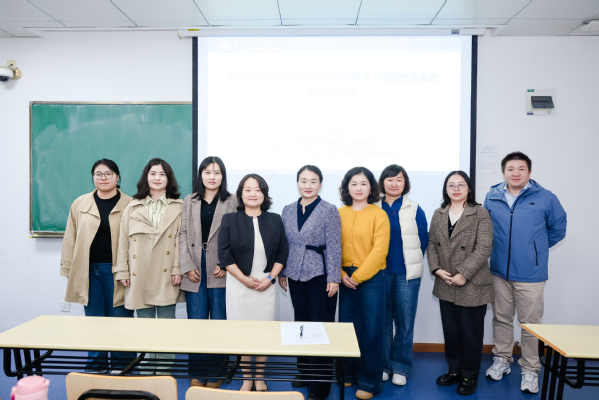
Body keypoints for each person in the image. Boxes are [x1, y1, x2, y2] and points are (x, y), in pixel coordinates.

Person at [484, 152, 567, 394]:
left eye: (521, 169)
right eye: (511, 169)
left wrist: (535, 250)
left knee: (531, 325)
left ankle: (530, 369)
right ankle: (502, 359)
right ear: (503, 172)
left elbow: (558, 229)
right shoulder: (492, 196)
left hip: (531, 274)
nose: (516, 173)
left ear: (529, 172)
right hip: (499, 272)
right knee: (501, 318)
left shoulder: (546, 197)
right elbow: (486, 229)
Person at [60, 159, 134, 372]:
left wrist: (132, 270)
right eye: (98, 174)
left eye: (108, 173)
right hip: (88, 271)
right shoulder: (80, 203)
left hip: (119, 271)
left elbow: (136, 242)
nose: (103, 178)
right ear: (93, 177)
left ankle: (123, 367)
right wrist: (68, 269)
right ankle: (96, 367)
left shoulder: (130, 204)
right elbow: (70, 238)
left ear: (118, 177)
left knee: (121, 320)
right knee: (94, 321)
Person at [218, 174, 289, 392]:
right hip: (239, 285)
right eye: (248, 189)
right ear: (241, 194)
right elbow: (224, 255)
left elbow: (283, 252)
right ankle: (247, 378)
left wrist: (271, 278)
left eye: (258, 189)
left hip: (267, 285)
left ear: (264, 194)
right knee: (243, 334)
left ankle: (260, 377)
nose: (253, 194)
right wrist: (244, 279)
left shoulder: (275, 219)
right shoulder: (230, 220)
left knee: (264, 333)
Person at [114, 158, 184, 375]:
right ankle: (145, 369)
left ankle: (163, 371)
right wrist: (123, 270)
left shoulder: (179, 206)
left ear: (168, 178)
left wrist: (177, 268)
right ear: (146, 177)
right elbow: (123, 241)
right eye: (153, 173)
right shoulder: (132, 206)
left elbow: (180, 241)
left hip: (166, 272)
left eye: (162, 174)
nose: (157, 178)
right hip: (139, 272)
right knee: (144, 324)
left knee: (166, 323)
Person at [428, 171, 494, 396]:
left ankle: (469, 376)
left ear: (469, 188)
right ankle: (454, 371)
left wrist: (464, 274)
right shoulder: (438, 213)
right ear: (445, 189)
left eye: (461, 185)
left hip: (472, 284)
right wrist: (436, 269)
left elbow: (484, 247)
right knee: (452, 332)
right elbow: (431, 244)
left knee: (470, 335)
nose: (456, 189)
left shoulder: (480, 213)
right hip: (445, 282)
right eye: (451, 185)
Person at [280, 165, 341, 400]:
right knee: (302, 324)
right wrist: (282, 272)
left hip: (320, 276)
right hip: (294, 274)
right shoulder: (287, 209)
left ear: (320, 184)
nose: (308, 185)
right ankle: (304, 371)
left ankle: (320, 385)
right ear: (297, 183)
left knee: (320, 327)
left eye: (313, 181)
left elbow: (334, 245)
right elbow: (284, 244)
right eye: (303, 181)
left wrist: (334, 277)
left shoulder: (329, 209)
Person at [180, 156, 237, 388]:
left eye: (217, 172)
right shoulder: (190, 200)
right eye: (207, 172)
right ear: (201, 175)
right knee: (197, 321)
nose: (212, 177)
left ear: (223, 176)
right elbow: (183, 234)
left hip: (219, 266)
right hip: (194, 265)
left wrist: (225, 263)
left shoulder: (231, 200)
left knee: (219, 321)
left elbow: (237, 234)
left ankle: (215, 374)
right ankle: (198, 372)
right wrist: (187, 265)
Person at [338, 167, 390, 400]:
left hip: (371, 276)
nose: (358, 188)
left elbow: (380, 251)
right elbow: (332, 247)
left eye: (363, 183)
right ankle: (348, 373)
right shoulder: (339, 213)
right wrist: (340, 274)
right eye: (354, 184)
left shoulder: (379, 214)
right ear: (346, 188)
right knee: (347, 327)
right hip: (344, 276)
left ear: (371, 187)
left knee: (371, 329)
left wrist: (358, 277)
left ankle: (370, 382)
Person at [375, 165, 428, 386]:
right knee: (382, 322)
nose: (394, 183)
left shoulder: (414, 208)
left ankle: (401, 367)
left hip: (407, 275)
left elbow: (423, 240)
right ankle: (383, 366)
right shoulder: (373, 207)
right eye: (389, 179)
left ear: (405, 183)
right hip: (378, 274)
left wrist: (410, 264)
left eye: (399, 179)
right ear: (382, 183)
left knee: (405, 323)